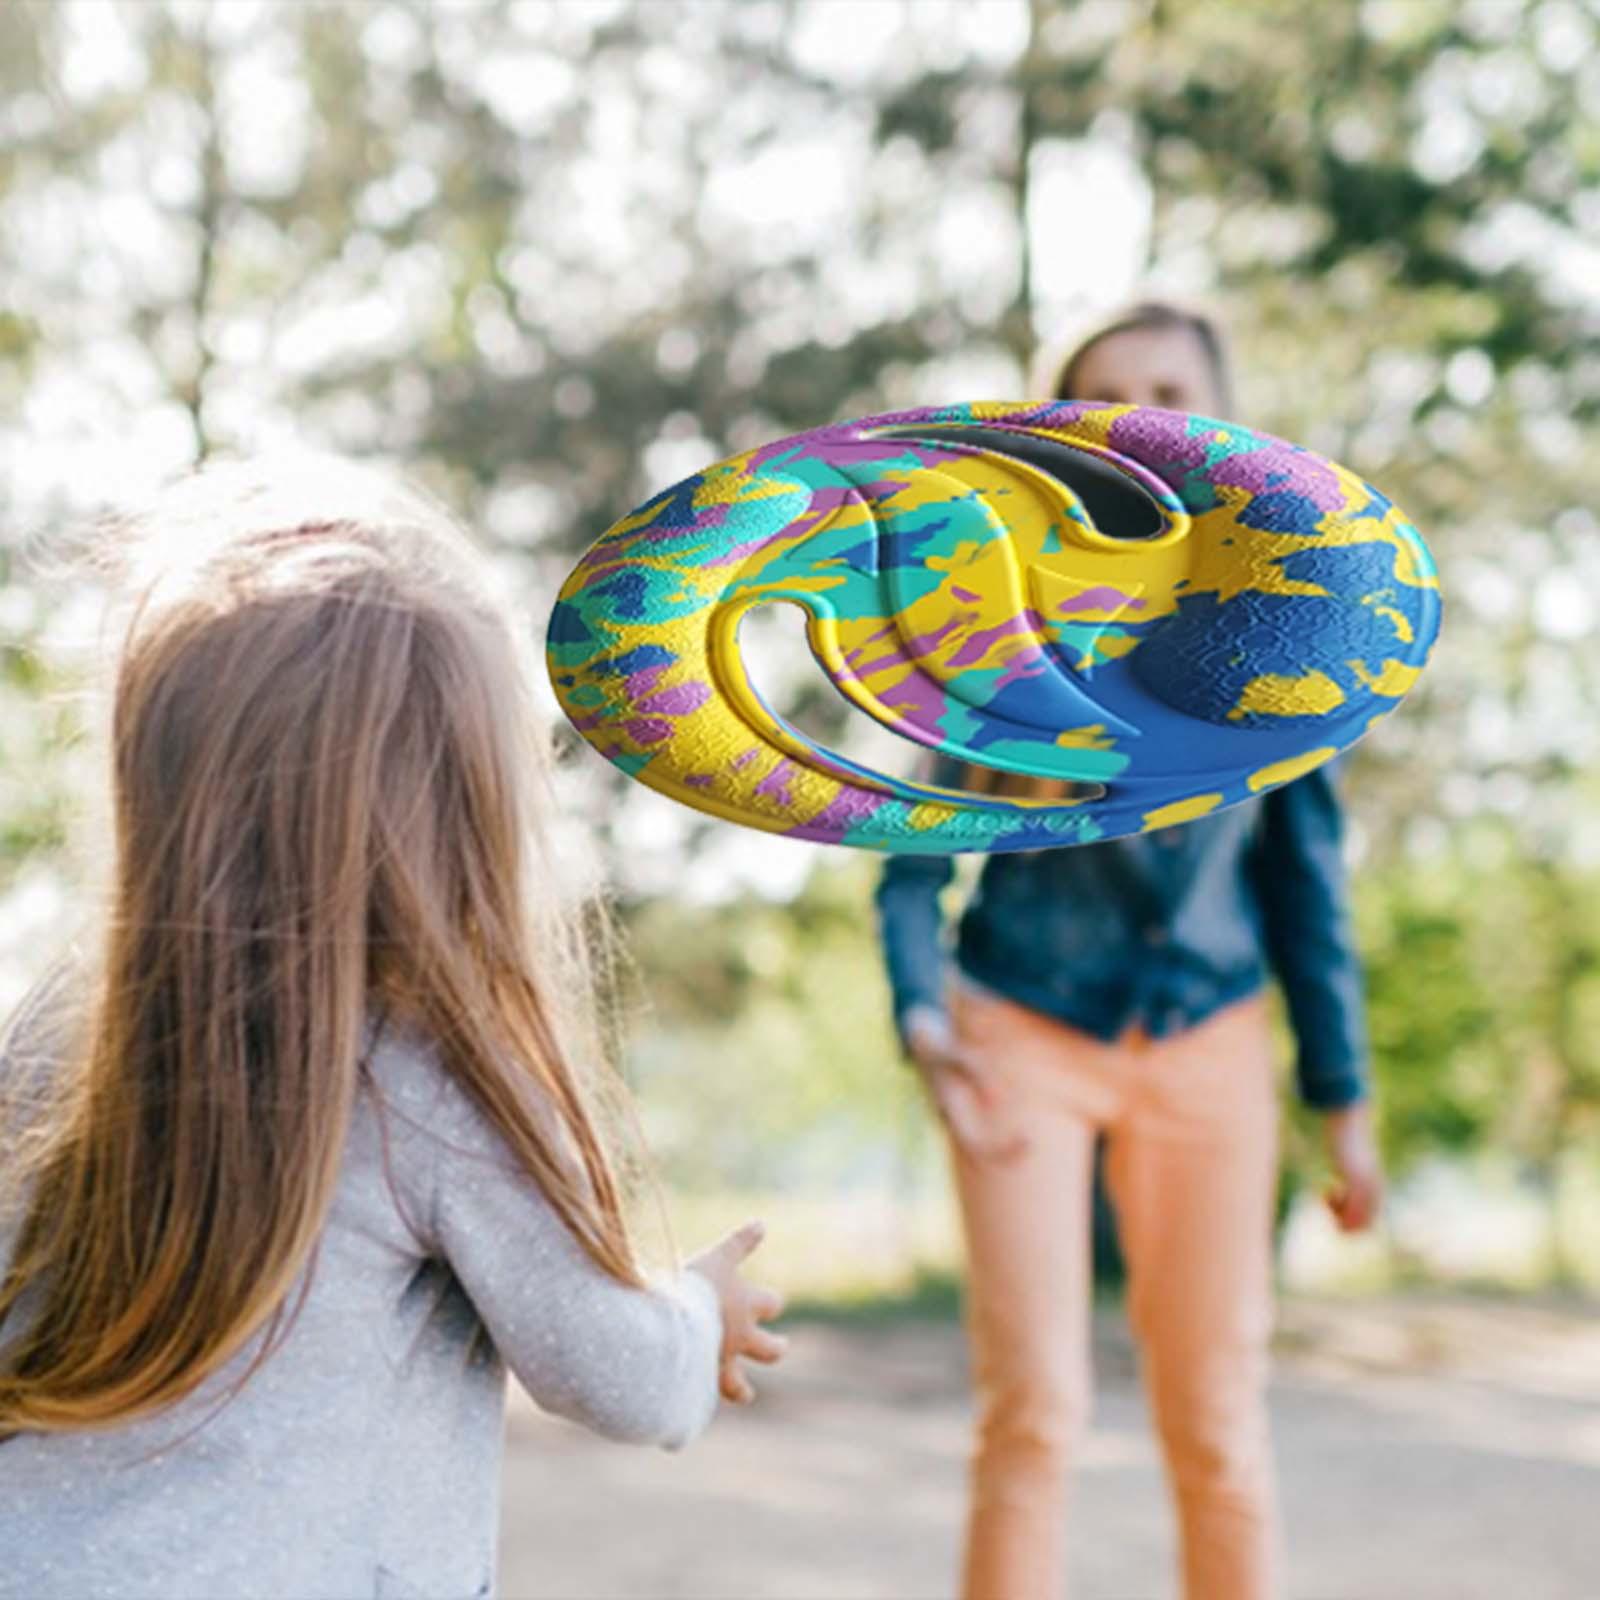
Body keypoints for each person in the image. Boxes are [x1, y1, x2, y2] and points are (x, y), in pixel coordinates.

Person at [0, 455, 787, 1600]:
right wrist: (700, 1308)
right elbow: (620, 1377)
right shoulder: (429, 1077)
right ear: (465, 808)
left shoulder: (51, 1039)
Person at [874, 300, 1384, 1600]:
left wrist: (1343, 1099)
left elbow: (1304, 881)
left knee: (1216, 1421)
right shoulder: (996, 620)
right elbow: (914, 859)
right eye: (1110, 398)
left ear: (1225, 421)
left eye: (1170, 388)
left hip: (1211, 1032)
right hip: (1022, 1029)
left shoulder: (1290, 632)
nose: (1142, 418)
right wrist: (926, 1023)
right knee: (1034, 1410)